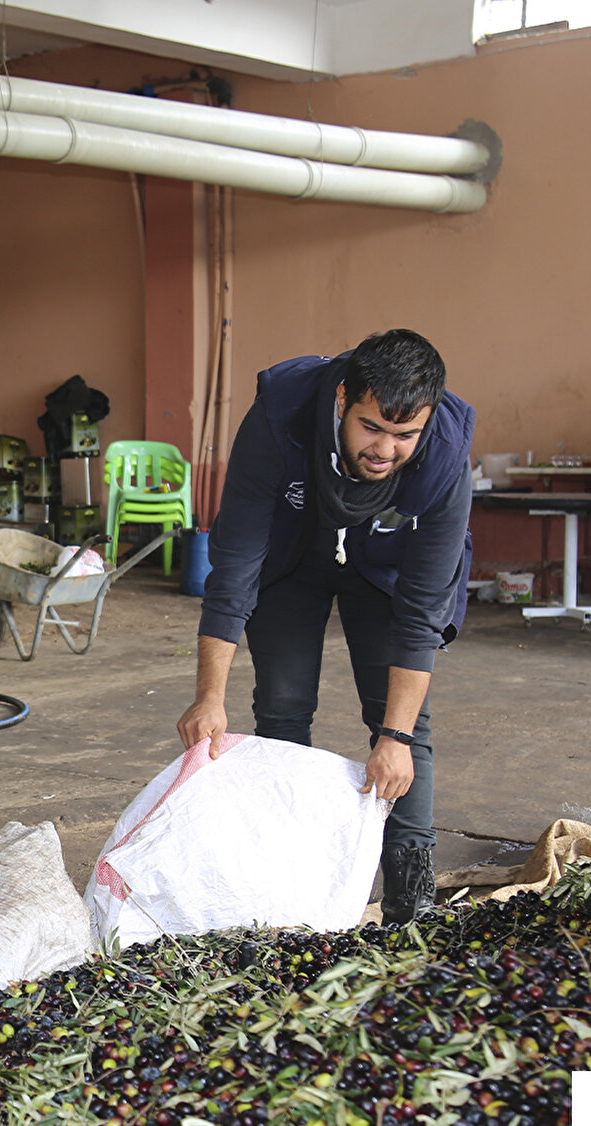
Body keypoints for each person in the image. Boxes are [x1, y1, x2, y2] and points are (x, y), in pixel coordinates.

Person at [176, 329, 474, 925]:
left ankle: (411, 889)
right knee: (283, 704)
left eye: (405, 435)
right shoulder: (279, 418)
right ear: (342, 399)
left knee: (402, 725)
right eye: (371, 428)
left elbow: (422, 610)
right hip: (293, 555)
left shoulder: (444, 455)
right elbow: (236, 567)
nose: (385, 449)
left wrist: (396, 738)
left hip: (383, 567)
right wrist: (209, 697)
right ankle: (288, 875)